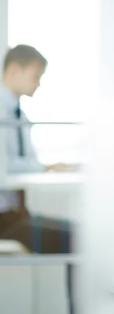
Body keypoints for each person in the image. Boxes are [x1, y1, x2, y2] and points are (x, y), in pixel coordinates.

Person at [0, 44, 71, 253]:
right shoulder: (4, 115)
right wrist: (43, 168)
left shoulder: (19, 116)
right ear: (13, 70)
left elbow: (25, 161)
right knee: (77, 240)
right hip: (4, 221)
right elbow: (5, 165)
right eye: (35, 76)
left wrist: (46, 167)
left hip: (16, 214)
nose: (38, 84)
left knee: (82, 234)